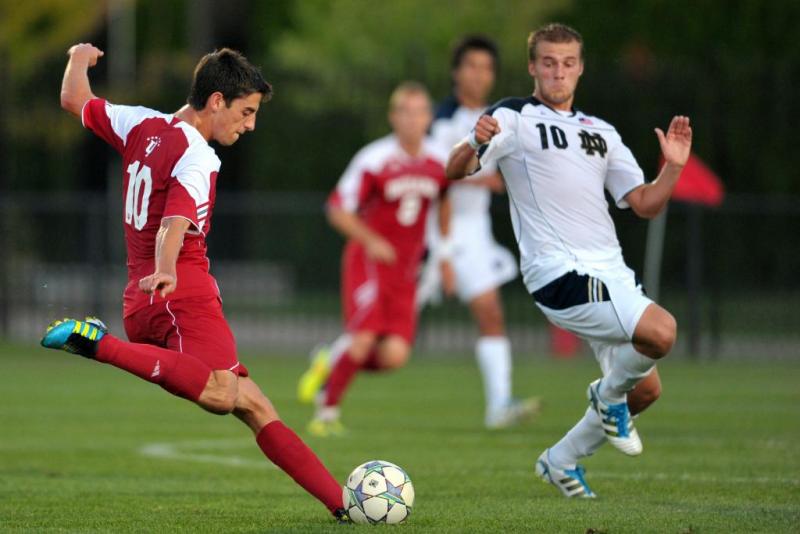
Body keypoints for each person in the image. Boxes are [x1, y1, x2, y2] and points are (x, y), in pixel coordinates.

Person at [41, 43, 349, 522]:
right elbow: (175, 223)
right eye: (246, 112)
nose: (249, 125)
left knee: (253, 403)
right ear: (217, 101)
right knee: (224, 393)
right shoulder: (198, 155)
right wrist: (166, 268)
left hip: (141, 298)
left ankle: (342, 505)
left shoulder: (141, 123)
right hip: (178, 292)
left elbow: (73, 99)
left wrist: (79, 55)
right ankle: (98, 344)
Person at [446, 23, 692, 497]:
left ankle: (561, 460)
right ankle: (605, 396)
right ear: (532, 67)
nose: (559, 72)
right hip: (559, 272)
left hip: (611, 273)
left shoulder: (601, 131)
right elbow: (455, 170)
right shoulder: (514, 117)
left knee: (645, 391)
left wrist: (674, 169)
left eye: (568, 63)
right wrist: (474, 142)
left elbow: (643, 203)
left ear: (580, 68)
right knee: (661, 332)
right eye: (549, 62)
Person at [298, 82, 451, 437]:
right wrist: (372, 240)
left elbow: (446, 201)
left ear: (429, 117)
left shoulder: (439, 160)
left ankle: (330, 359)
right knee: (364, 337)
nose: (412, 120)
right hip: (369, 263)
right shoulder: (374, 158)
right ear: (393, 117)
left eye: (419, 112)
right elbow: (337, 209)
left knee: (395, 355)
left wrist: (445, 253)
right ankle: (326, 413)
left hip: (407, 270)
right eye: (404, 112)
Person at [421, 34, 539, 429]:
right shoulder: (442, 123)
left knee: (490, 313)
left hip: (475, 230)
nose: (479, 74)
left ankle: (499, 404)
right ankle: (331, 366)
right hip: (436, 228)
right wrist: (444, 252)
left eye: (487, 67)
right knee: (387, 331)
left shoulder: (499, 119)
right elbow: (438, 181)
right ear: (456, 72)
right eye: (472, 65)